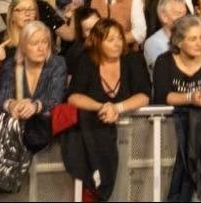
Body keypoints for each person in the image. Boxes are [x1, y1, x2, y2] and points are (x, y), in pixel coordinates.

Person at [65, 19, 152, 199]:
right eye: (110, 39)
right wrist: (102, 107)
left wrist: (117, 108)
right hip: (94, 137)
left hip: (132, 138)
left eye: (119, 38)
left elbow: (144, 95)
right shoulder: (86, 61)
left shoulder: (133, 59)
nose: (117, 43)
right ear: (97, 41)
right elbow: (73, 97)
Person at [0, 21, 67, 135]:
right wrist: (12, 105)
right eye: (34, 43)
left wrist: (35, 106)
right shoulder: (11, 65)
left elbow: (56, 98)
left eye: (45, 42)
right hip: (15, 130)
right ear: (23, 46)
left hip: (45, 129)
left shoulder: (57, 63)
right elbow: (1, 98)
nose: (41, 48)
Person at [151, 15, 201, 107]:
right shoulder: (164, 61)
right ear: (178, 42)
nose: (199, 43)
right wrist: (190, 98)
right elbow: (163, 96)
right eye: (193, 39)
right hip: (172, 119)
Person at [144, 0, 188, 72]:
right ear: (164, 17)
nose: (184, 19)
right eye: (178, 14)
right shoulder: (153, 43)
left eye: (185, 14)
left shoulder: (191, 38)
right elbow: (166, 72)